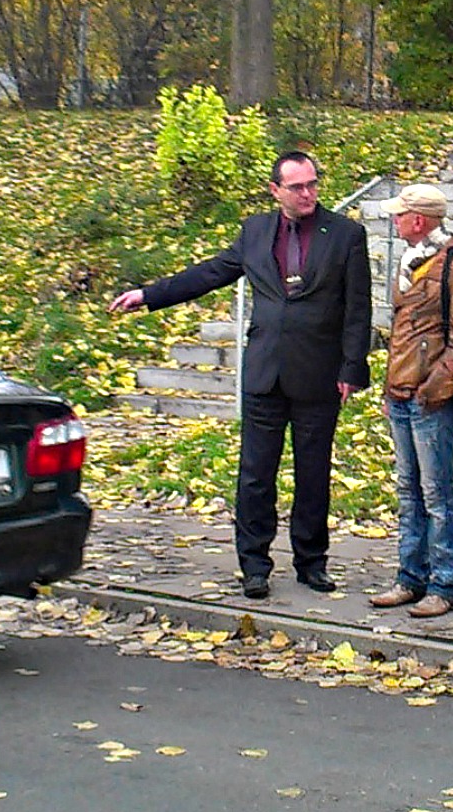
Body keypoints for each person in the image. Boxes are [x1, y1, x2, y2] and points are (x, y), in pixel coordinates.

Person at [108, 151, 371, 599]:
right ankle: (254, 565)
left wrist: (352, 367)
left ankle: (312, 562)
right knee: (255, 475)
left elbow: (358, 307)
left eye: (313, 184)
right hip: (265, 373)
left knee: (313, 475)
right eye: (297, 187)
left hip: (318, 374)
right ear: (275, 190)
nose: (308, 193)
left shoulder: (345, 234)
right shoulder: (255, 232)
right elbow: (211, 273)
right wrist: (149, 295)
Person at [368, 184, 453, 619]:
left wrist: (432, 391)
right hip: (402, 394)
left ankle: (445, 582)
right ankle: (410, 577)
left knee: (438, 493)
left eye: (400, 215)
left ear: (419, 219)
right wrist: (391, 387)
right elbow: (403, 335)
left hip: (430, 399)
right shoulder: (410, 261)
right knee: (408, 491)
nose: (395, 222)